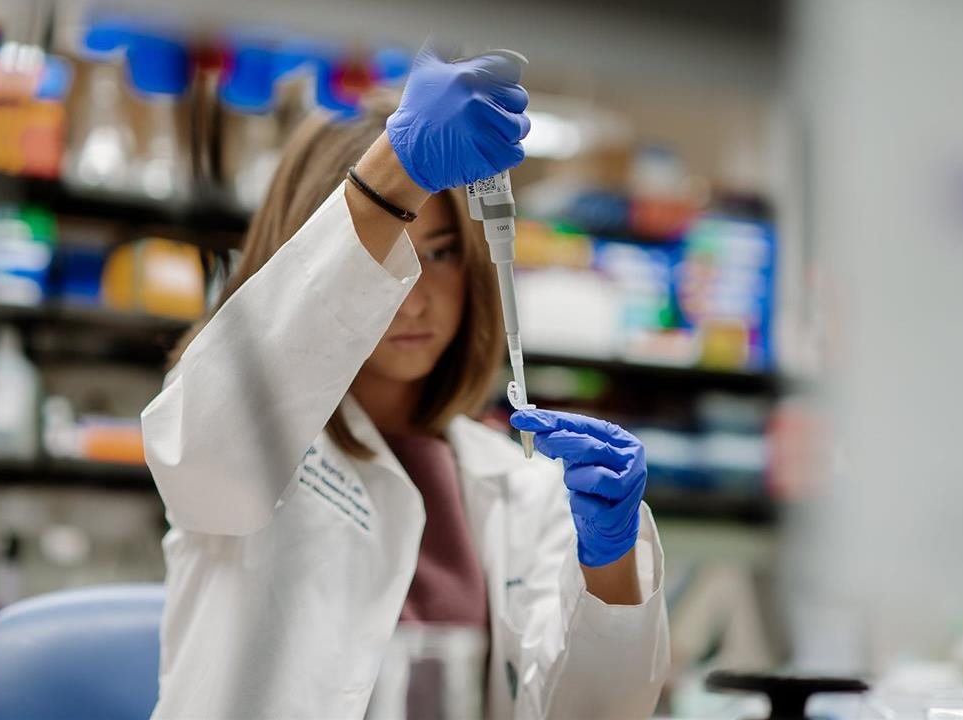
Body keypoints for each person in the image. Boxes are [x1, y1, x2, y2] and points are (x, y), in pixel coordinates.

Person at [141, 46, 669, 719]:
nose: (415, 299)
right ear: (312, 255)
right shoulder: (247, 439)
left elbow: (594, 714)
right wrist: (392, 176)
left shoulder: (519, 486)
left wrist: (610, 569)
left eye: (443, 254)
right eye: (389, 251)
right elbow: (201, 458)